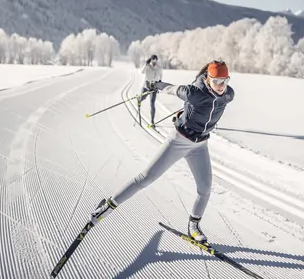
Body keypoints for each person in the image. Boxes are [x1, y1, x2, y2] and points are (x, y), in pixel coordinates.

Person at [91, 60, 234, 243]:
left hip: (200, 146)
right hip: (179, 141)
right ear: (207, 79)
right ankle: (108, 206)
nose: (221, 86)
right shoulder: (194, 93)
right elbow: (172, 89)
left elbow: (213, 107)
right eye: (217, 81)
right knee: (146, 178)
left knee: (205, 189)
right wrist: (154, 85)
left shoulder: (228, 95)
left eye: (225, 80)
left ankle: (193, 226)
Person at [138, 54, 163, 126]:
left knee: (152, 103)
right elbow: (141, 72)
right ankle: (139, 99)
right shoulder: (148, 66)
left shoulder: (159, 68)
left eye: (155, 62)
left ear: (157, 61)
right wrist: (145, 64)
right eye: (153, 62)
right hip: (146, 86)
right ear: (151, 61)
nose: (154, 63)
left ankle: (152, 121)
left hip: (154, 87)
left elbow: (161, 76)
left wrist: (159, 84)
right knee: (143, 98)